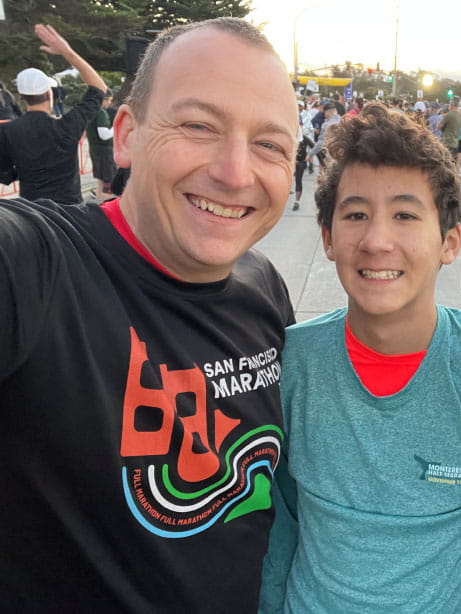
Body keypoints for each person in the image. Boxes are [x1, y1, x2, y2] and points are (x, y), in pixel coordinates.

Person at [0, 18, 298, 612]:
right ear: (127, 135)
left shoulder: (263, 284)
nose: (236, 172)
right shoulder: (37, 267)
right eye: (198, 126)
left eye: (269, 144)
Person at [260, 103, 461, 613]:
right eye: (355, 215)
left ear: (449, 242)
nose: (376, 240)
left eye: (405, 215)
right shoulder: (295, 363)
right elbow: (279, 523)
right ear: (328, 237)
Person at [0, 24, 106, 203]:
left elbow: (5, 174)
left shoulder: (8, 131)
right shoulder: (67, 125)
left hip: (33, 213)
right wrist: (67, 52)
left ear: (23, 96)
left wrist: (26, 167)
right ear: (49, 94)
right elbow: (99, 89)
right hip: (70, 212)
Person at [86, 89, 117, 200]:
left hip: (94, 149)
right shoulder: (101, 113)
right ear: (103, 100)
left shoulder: (91, 111)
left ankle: (99, 201)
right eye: (109, 100)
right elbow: (104, 135)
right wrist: (115, 128)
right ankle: (106, 204)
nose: (109, 103)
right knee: (107, 182)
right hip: (105, 151)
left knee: (99, 179)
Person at [306, 102, 340, 170]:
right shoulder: (342, 120)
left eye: (324, 113)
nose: (324, 115)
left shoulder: (327, 124)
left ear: (327, 112)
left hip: (330, 156)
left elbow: (322, 142)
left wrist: (310, 154)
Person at [438, 98, 461, 163]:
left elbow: (438, 126)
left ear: (451, 105)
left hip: (447, 142)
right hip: (455, 143)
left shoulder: (449, 115)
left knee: (444, 163)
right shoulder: (460, 115)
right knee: (451, 164)